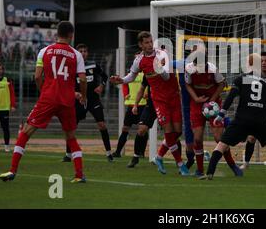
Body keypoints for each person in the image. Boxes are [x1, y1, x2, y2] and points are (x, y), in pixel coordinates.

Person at [0, 21, 87, 183]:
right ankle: (79, 174)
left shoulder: (44, 51)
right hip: (67, 100)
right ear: (71, 35)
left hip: (48, 98)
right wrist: (83, 95)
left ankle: (12, 170)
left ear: (57, 34)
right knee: (71, 137)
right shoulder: (76, 54)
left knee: (25, 132)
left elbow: (37, 77)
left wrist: (44, 91)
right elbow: (82, 79)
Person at [110, 31, 190, 176]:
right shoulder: (139, 60)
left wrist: (158, 67)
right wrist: (121, 80)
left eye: (151, 41)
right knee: (169, 131)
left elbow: (166, 77)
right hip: (159, 100)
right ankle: (180, 165)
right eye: (146, 42)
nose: (149, 45)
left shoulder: (162, 54)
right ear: (140, 44)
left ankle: (159, 157)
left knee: (177, 132)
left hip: (173, 96)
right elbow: (131, 76)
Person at [199, 53, 266, 181]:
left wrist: (221, 114)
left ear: (250, 64)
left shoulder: (240, 79)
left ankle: (210, 173)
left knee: (221, 145)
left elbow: (230, 97)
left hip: (242, 120)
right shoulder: (265, 85)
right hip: (260, 121)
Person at [185, 49, 242, 178]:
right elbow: (188, 85)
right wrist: (195, 98)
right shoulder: (189, 69)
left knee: (219, 138)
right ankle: (200, 169)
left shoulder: (212, 69)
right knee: (197, 138)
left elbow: (222, 84)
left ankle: (233, 165)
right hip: (197, 104)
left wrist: (212, 100)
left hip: (213, 105)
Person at [62, 43, 113, 162]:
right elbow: (66, 84)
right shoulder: (71, 67)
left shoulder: (93, 65)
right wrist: (74, 93)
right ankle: (68, 154)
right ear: (77, 54)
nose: (83, 53)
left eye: (85, 51)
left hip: (93, 99)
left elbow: (105, 76)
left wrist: (101, 86)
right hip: (79, 100)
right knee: (71, 127)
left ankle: (109, 153)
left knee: (102, 124)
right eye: (81, 51)